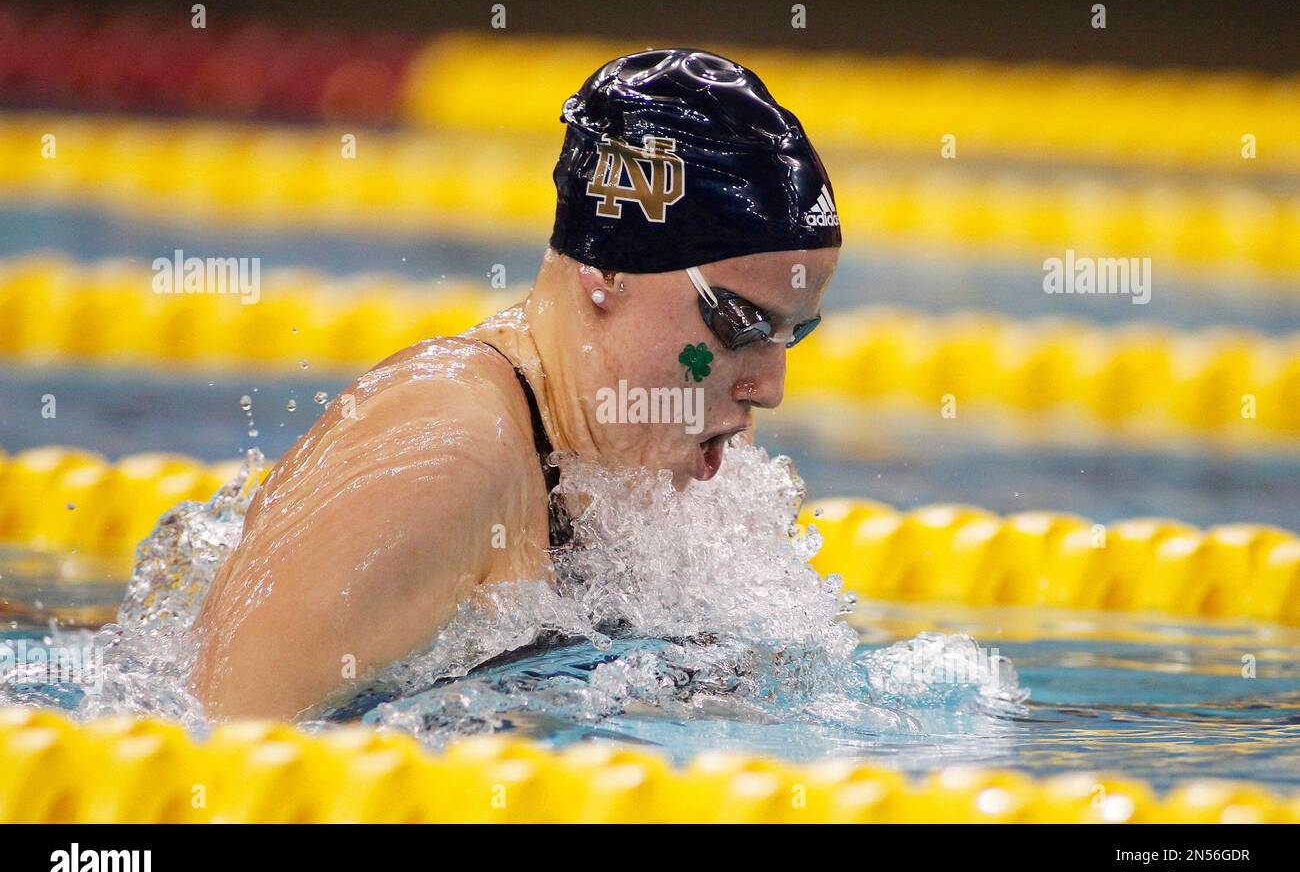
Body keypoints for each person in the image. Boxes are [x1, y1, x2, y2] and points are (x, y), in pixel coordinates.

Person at [192, 47, 842, 719]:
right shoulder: (443, 456)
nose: (769, 385)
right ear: (608, 269)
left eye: (792, 334)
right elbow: (219, 763)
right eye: (739, 321)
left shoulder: (598, 457)